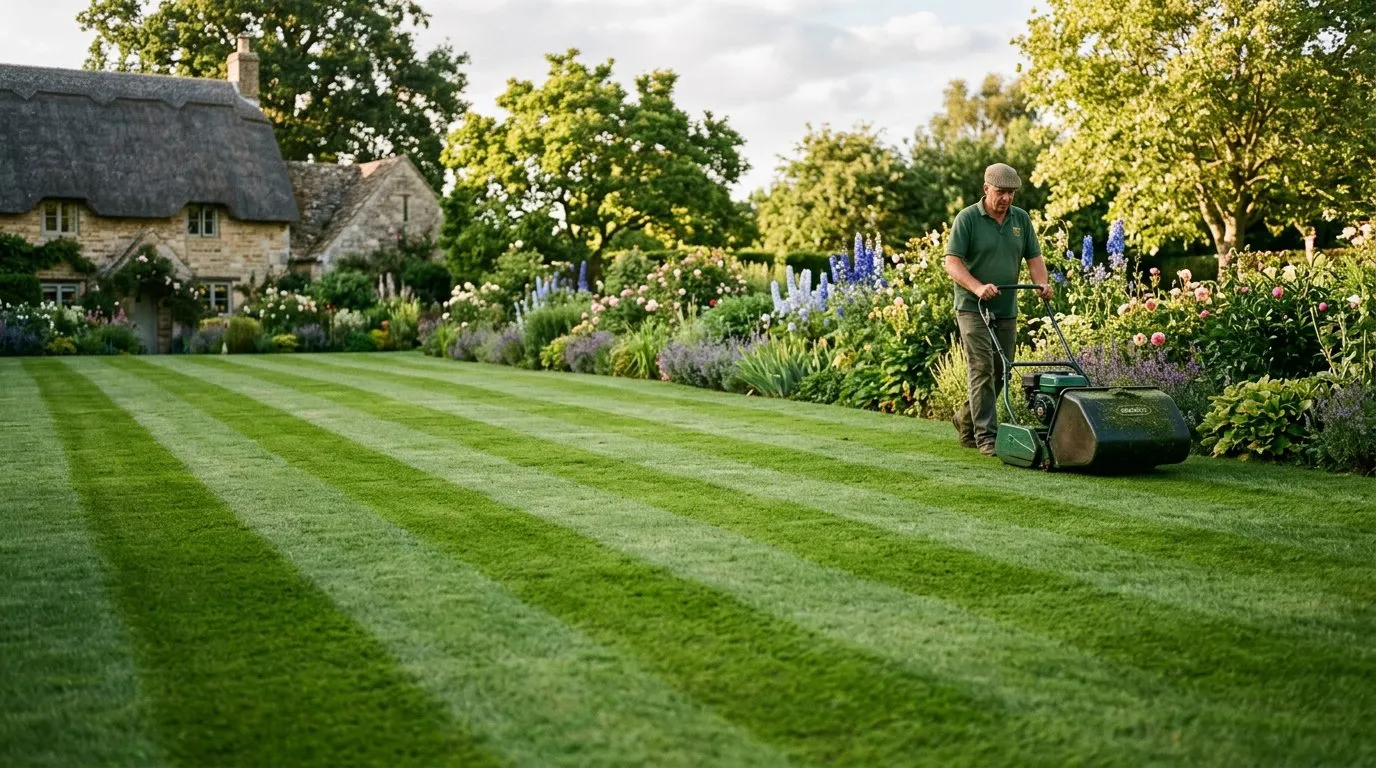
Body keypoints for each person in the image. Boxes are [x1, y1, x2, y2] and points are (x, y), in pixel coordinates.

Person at [943, 163, 1053, 456]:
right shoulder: (967, 219)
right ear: (986, 189)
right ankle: (986, 438)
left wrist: (1042, 284)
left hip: (1006, 307)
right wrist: (977, 287)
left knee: (1001, 371)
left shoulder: (1021, 220)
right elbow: (952, 263)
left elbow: (1034, 258)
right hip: (973, 306)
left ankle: (964, 419)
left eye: (1011, 193)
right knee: (982, 368)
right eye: (1001, 192)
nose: (1006, 198)